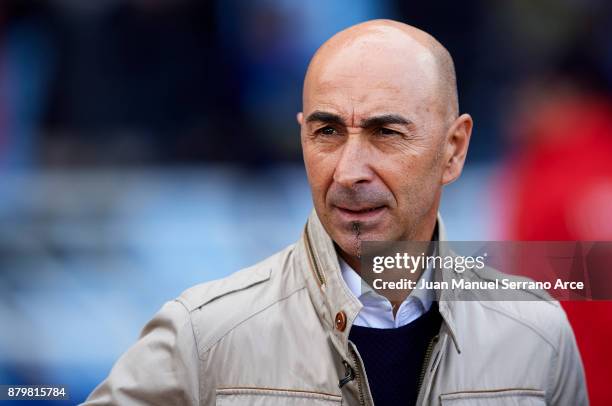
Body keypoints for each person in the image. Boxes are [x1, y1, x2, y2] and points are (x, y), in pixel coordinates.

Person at [84, 20, 587, 406]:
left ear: (453, 150)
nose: (348, 171)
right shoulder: (204, 334)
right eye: (326, 132)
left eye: (386, 133)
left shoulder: (536, 333)